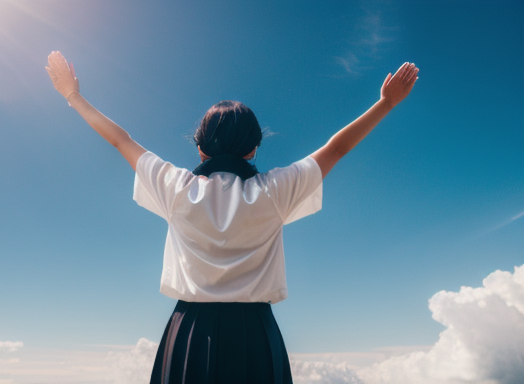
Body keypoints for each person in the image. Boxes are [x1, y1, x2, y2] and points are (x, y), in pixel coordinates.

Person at [46, 51, 418, 384]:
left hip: (189, 331)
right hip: (256, 334)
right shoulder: (274, 191)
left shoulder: (177, 189)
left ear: (200, 147)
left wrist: (72, 96)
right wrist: (385, 103)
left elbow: (120, 139)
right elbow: (336, 148)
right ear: (254, 147)